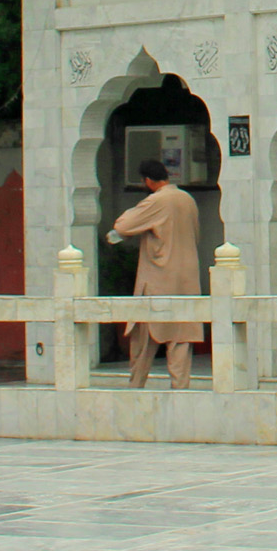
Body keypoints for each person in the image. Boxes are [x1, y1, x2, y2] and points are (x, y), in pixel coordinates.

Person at [105, 158, 203, 389]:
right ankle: (181, 392)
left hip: (158, 281)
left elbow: (123, 226)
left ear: (148, 181)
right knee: (180, 339)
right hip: (186, 283)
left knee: (143, 339)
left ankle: (135, 389)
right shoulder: (187, 199)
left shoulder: (157, 200)